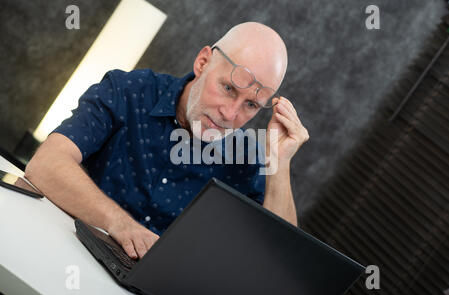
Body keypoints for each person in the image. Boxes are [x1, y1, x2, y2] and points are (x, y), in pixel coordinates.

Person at [25, 22, 309, 260]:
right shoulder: (129, 90)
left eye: (251, 106)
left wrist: (280, 163)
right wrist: (120, 225)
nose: (230, 113)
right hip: (69, 254)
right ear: (203, 62)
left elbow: (276, 264)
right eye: (227, 88)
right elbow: (46, 164)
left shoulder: (247, 159)